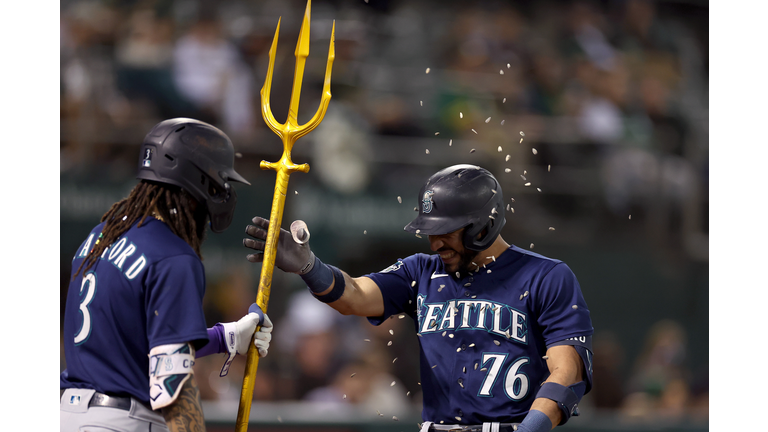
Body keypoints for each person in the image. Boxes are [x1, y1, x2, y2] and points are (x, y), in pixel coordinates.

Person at [244, 164, 594, 432]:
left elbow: (567, 373)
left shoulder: (546, 276)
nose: (434, 243)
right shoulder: (421, 272)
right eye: (430, 232)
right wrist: (309, 266)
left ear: (483, 225)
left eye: (446, 232)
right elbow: (354, 295)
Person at [61, 118, 274, 432]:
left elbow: (135, 343)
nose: (222, 192)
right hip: (122, 422)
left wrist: (224, 338)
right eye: (218, 183)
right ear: (198, 183)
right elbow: (172, 387)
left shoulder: (101, 235)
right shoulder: (173, 256)